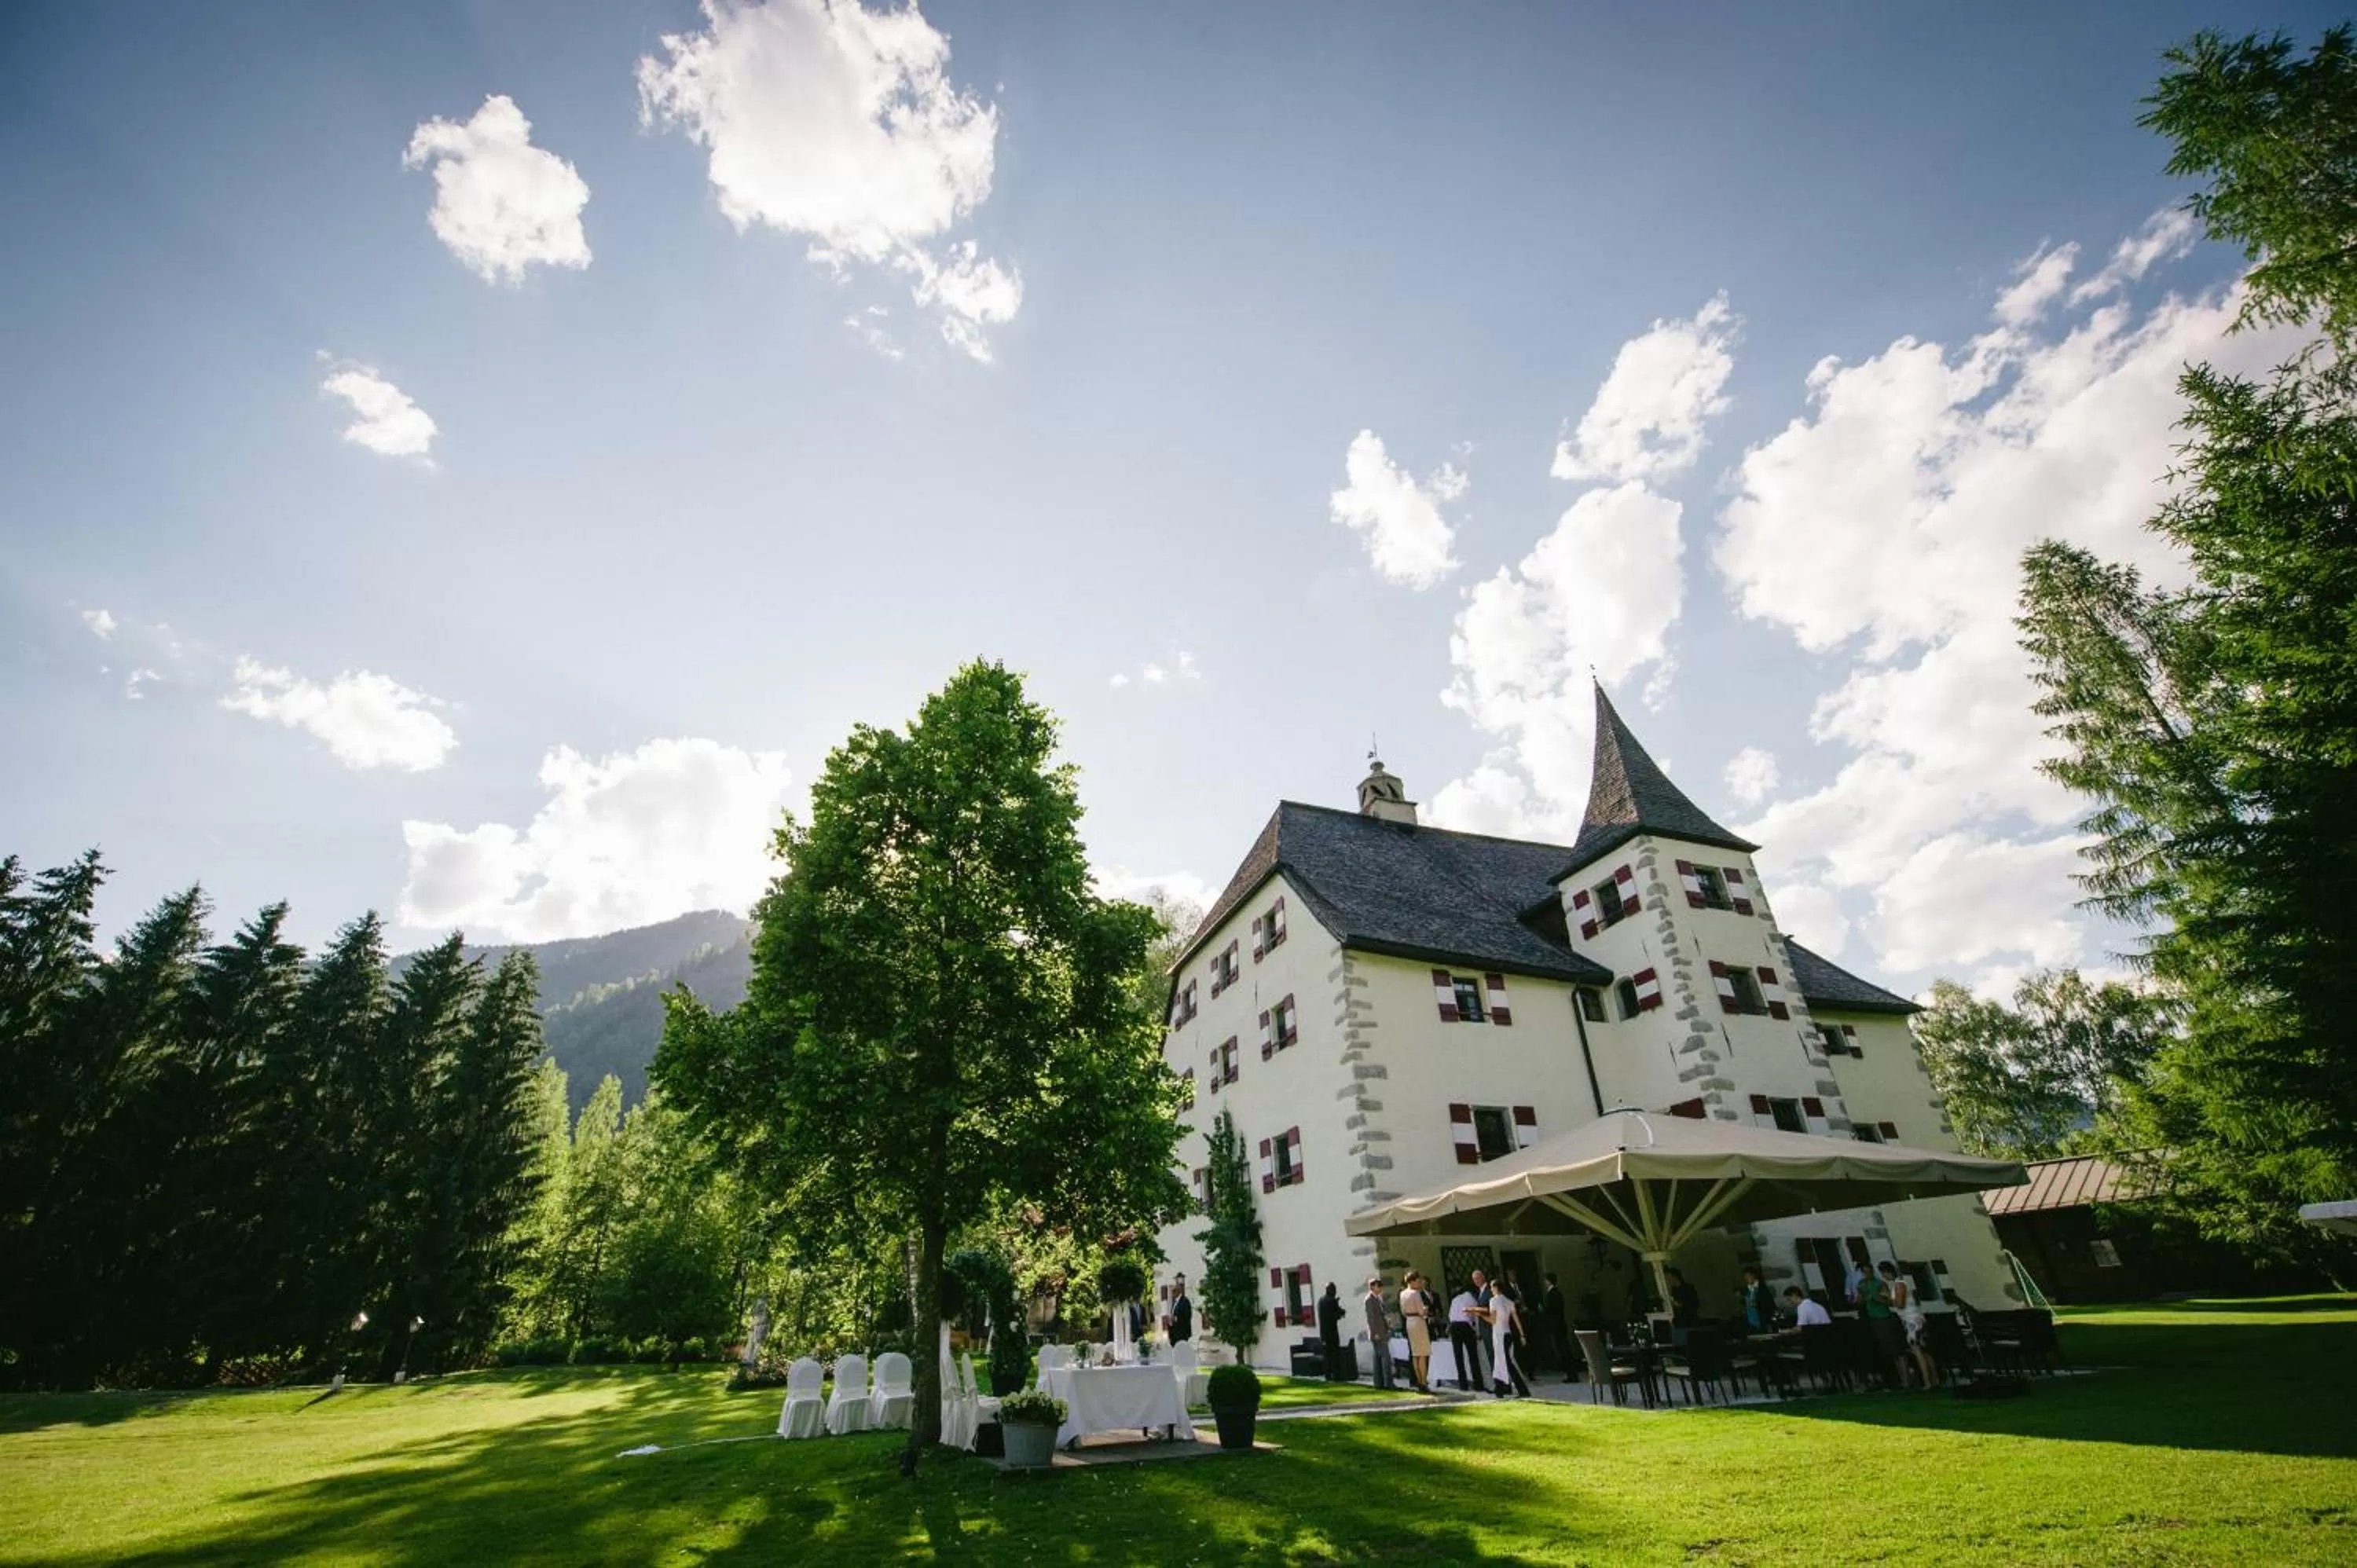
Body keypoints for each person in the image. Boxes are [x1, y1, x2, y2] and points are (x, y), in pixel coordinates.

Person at [1884, 1262, 1939, 1390]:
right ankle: (1934, 1379)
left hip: (1911, 1320)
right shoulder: (1900, 1284)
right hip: (1914, 1318)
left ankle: (1927, 1382)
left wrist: (1887, 1299)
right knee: (1925, 1351)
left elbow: (1900, 1304)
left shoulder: (1899, 1285)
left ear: (1888, 1272)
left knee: (1917, 1350)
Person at [1860, 1260, 1904, 1387]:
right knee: (1884, 1351)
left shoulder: (1880, 1283)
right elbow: (1860, 1301)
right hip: (1872, 1318)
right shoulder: (1862, 1284)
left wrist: (1879, 1299)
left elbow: (1891, 1301)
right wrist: (1860, 1298)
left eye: (1869, 1272)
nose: (1866, 1274)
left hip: (1884, 1317)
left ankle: (1903, 1378)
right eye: (1864, 1272)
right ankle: (1892, 1379)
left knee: (1894, 1350)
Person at [1489, 1283, 1533, 1398]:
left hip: (1499, 1335)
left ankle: (1521, 1389)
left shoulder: (1493, 1301)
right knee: (1501, 1361)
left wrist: (1479, 1314)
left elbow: (1493, 1320)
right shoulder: (1509, 1302)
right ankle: (1500, 1389)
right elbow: (1516, 1319)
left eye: (1492, 1287)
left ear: (1495, 1288)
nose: (1491, 1290)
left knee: (1505, 1362)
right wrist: (1522, 1335)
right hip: (1508, 1333)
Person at [1446, 1280, 1486, 1392]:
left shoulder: (1455, 1299)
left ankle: (1463, 1385)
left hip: (1454, 1326)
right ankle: (1478, 1384)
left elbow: (1450, 1316)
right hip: (1465, 1326)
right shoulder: (1472, 1299)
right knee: (1473, 1356)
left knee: (1459, 1357)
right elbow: (1475, 1316)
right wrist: (1477, 1332)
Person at [1398, 1273, 1433, 1391]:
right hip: (1418, 1322)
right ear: (1412, 1282)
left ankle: (1418, 1380)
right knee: (1423, 1353)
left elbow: (1403, 1311)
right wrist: (1425, 1310)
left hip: (1409, 1321)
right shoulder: (1415, 1294)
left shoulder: (1402, 1294)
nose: (1419, 1284)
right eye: (1417, 1281)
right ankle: (1423, 1381)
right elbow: (1421, 1312)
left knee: (1415, 1354)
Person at [1363, 1277, 1395, 1390]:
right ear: (1372, 1287)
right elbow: (1371, 1318)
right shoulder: (1369, 1300)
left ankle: (1379, 1383)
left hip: (1381, 1330)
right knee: (1385, 1357)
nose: (1380, 1288)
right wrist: (1374, 1332)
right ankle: (1388, 1383)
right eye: (1378, 1286)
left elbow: (1382, 1314)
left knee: (1378, 1357)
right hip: (1377, 1332)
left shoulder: (1378, 1298)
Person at [1541, 1272, 1572, 1382]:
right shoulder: (1557, 1293)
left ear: (1549, 1281)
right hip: (1560, 1325)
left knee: (1563, 1349)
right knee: (1564, 1349)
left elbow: (1551, 1310)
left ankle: (1570, 1374)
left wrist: (1543, 1310)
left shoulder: (1552, 1294)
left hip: (1557, 1326)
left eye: (1545, 1281)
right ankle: (1570, 1373)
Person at [1318, 1280, 1347, 1379]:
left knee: (1327, 1355)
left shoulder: (1321, 1301)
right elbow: (1336, 1314)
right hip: (1332, 1332)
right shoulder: (1332, 1301)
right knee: (1334, 1354)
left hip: (1323, 1333)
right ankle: (1336, 1375)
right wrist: (1342, 1312)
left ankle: (1327, 1375)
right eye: (1334, 1289)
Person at [1739, 1267, 1776, 1334]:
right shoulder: (1747, 1290)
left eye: (1748, 1276)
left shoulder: (1762, 1289)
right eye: (1745, 1277)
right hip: (1751, 1321)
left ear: (1753, 1276)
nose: (1746, 1279)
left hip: (1762, 1320)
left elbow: (1769, 1305)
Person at [1665, 1267, 1701, 1331]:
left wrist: (1676, 1303)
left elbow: (1694, 1305)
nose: (1668, 1280)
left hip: (1689, 1322)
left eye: (1669, 1278)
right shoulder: (1674, 1291)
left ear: (1675, 1277)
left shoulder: (1688, 1289)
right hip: (1679, 1322)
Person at [1168, 1276, 1193, 1343]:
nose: (1172, 1294)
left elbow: (1188, 1316)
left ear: (1178, 1292)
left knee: (1181, 1351)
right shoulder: (1174, 1302)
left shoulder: (1185, 1301)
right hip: (1174, 1333)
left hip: (1182, 1333)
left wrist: (1175, 1318)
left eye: (1173, 1291)